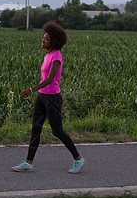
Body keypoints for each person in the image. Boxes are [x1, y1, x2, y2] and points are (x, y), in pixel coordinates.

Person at [12, 21, 85, 174]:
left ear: (54, 41)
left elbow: (51, 79)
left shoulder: (56, 56)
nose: (43, 40)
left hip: (52, 98)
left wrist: (31, 89)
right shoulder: (47, 56)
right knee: (36, 128)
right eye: (43, 38)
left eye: (46, 39)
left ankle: (78, 159)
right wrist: (37, 92)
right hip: (42, 97)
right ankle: (28, 162)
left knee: (57, 131)